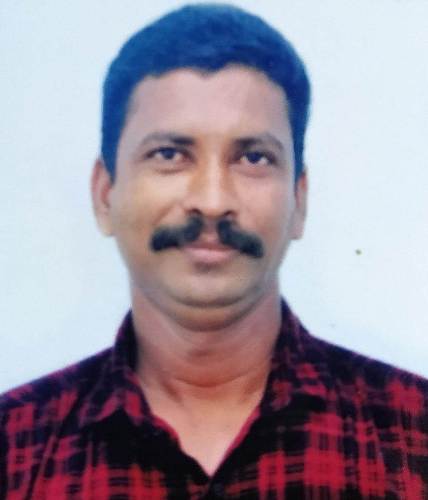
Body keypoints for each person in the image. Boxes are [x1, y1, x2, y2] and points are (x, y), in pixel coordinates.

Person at [1, 4, 427, 499]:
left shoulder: (412, 439)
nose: (211, 200)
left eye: (253, 158)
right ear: (104, 195)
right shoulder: (14, 450)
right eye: (169, 154)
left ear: (299, 201)